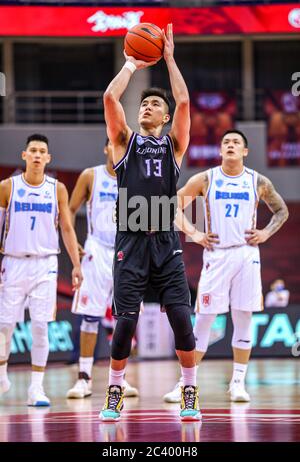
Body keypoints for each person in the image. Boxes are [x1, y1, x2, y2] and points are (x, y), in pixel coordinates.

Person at [99, 23, 200, 422]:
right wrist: (130, 63)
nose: (146, 107)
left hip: (166, 242)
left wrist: (170, 58)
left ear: (165, 115)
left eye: (154, 105)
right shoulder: (125, 142)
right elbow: (110, 97)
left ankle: (190, 391)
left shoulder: (174, 144)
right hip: (131, 241)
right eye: (143, 104)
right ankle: (114, 393)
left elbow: (186, 102)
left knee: (181, 320)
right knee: (124, 325)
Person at [164, 129, 289, 403]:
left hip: (246, 255)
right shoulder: (206, 179)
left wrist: (266, 233)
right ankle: (186, 384)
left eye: (236, 143)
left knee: (243, 317)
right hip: (217, 255)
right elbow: (172, 205)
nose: (230, 145)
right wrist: (195, 234)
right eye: (226, 142)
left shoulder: (257, 181)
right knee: (205, 319)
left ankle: (238, 383)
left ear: (245, 151)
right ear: (220, 151)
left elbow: (282, 210)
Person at [0, 134, 83, 406]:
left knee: (40, 327)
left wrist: (76, 265)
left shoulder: (57, 189)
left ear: (48, 158)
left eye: (42, 151)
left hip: (46, 263)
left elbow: (68, 229)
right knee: (4, 326)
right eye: (33, 150)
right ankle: (2, 376)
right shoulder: (7, 187)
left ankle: (36, 389)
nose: (37, 155)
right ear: (24, 155)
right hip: (13, 262)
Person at [66, 138, 138, 399]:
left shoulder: (135, 178)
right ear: (107, 148)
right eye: (113, 146)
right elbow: (70, 210)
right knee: (89, 314)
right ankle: (83, 377)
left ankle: (120, 379)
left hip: (125, 252)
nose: (117, 150)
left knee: (124, 318)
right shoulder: (91, 176)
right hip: (96, 248)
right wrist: (74, 242)